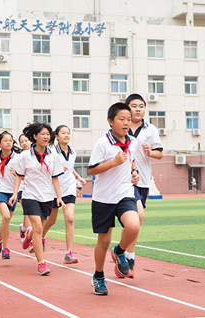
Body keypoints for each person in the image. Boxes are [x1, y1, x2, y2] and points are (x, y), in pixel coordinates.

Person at [88, 102, 141, 296]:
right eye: (122, 119)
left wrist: (133, 172)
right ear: (110, 121)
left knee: (134, 226)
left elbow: (131, 160)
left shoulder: (132, 141)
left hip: (125, 193)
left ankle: (119, 252)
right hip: (103, 198)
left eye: (128, 119)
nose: (126, 122)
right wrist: (113, 163)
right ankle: (99, 276)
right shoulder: (103, 143)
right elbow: (92, 169)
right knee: (103, 241)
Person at [9, 122, 65, 276]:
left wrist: (59, 197)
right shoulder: (25, 155)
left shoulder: (53, 156)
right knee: (39, 229)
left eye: (48, 134)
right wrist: (15, 194)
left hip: (47, 197)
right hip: (30, 196)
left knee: (37, 228)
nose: (46, 137)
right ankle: (41, 263)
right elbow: (19, 177)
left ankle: (29, 235)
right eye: (42, 134)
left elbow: (55, 178)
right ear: (35, 136)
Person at [122, 93, 164, 278]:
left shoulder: (151, 129)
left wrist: (149, 152)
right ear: (127, 108)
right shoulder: (120, 127)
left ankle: (124, 255)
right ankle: (128, 256)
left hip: (144, 181)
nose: (138, 109)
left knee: (135, 222)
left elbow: (160, 154)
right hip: (124, 181)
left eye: (141, 106)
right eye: (134, 105)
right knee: (139, 215)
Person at [42, 125, 87, 264]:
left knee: (70, 219)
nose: (66, 135)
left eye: (68, 133)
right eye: (63, 133)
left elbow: (70, 167)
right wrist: (58, 168)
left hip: (69, 189)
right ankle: (40, 237)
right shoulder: (51, 152)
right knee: (52, 220)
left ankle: (68, 253)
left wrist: (78, 177)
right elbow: (46, 166)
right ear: (56, 136)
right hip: (55, 190)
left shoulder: (73, 151)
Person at [0, 131, 21, 260]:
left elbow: (23, 175)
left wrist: (17, 174)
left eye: (10, 140)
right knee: (6, 217)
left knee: (6, 221)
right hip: (0, 190)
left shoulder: (18, 158)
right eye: (5, 140)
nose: (8, 142)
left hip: (13, 192)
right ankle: (5, 248)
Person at [17, 133, 32, 244]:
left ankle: (23, 229)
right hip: (22, 188)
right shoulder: (20, 156)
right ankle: (30, 236)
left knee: (28, 212)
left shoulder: (37, 154)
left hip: (34, 188)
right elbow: (17, 174)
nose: (24, 143)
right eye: (21, 142)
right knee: (28, 210)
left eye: (26, 140)